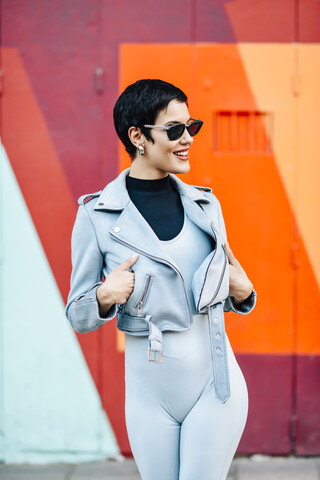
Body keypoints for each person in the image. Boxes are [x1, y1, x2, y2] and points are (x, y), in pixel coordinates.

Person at [66, 79, 256, 480]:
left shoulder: (206, 206)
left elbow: (218, 285)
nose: (187, 139)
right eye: (174, 130)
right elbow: (77, 314)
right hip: (147, 398)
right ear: (138, 136)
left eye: (192, 127)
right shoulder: (96, 216)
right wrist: (104, 295)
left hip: (215, 386)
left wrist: (243, 292)